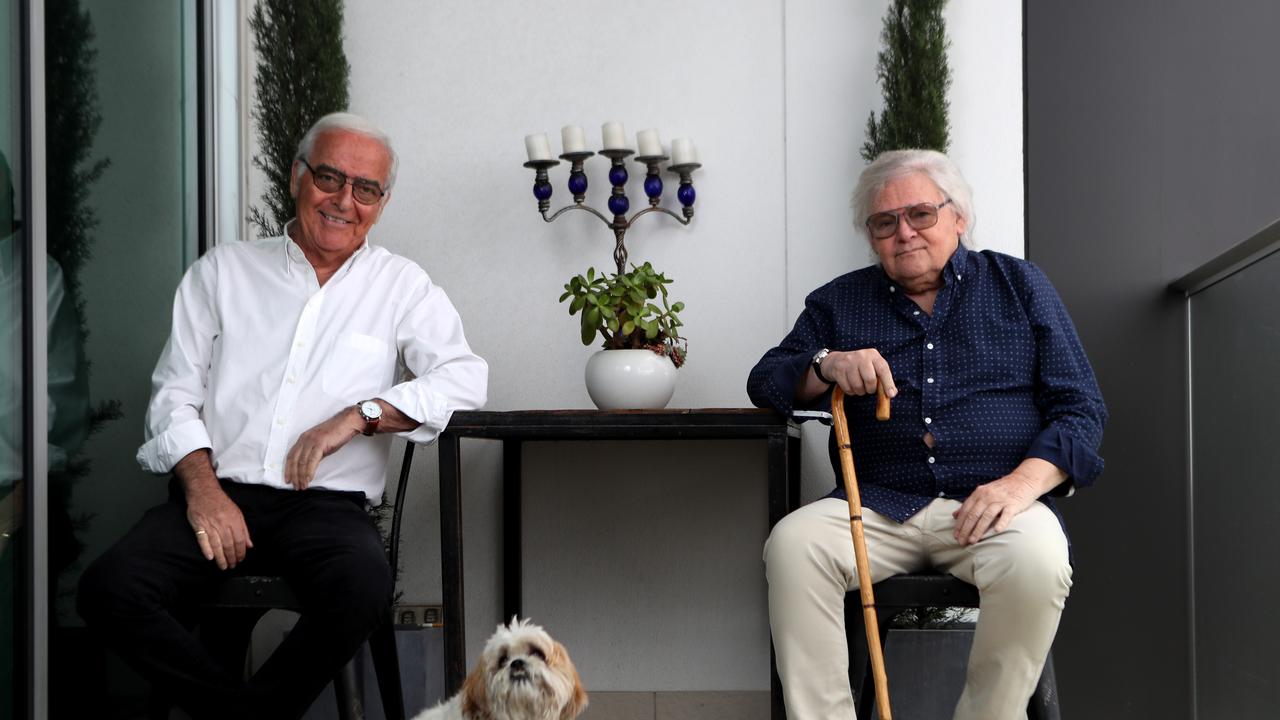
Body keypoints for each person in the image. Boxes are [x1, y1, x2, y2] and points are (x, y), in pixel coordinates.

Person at [77, 112, 488, 719]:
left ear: (381, 202)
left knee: (364, 584)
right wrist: (202, 490)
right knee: (109, 588)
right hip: (216, 493)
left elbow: (464, 377)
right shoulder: (222, 271)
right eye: (330, 177)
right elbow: (173, 394)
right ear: (299, 176)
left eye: (365, 188)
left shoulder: (401, 285)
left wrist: (360, 414)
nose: (344, 200)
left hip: (325, 508)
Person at [747, 149, 1106, 720]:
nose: (904, 233)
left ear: (957, 217)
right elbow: (766, 380)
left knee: (1038, 559)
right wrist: (825, 363)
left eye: (920, 214)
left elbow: (1081, 411)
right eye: (884, 222)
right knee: (794, 546)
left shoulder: (1019, 285)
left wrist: (1018, 488)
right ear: (871, 237)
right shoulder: (840, 301)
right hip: (876, 509)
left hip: (992, 506)